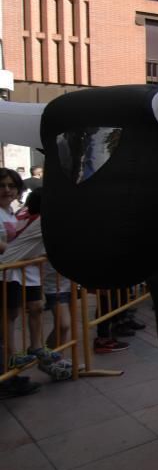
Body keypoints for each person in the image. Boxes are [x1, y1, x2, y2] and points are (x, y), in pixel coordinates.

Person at [1, 189, 73, 381]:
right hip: (11, 270)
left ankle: (37, 350)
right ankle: (14, 357)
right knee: (11, 315)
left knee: (36, 308)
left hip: (26, 270)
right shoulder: (43, 221)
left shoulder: (21, 214)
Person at [0, 167, 41, 399]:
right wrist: (20, 254)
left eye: (11, 186)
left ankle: (9, 372)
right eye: (2, 186)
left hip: (12, 274)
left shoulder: (10, 212)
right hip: (4, 274)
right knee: (5, 324)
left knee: (10, 321)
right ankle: (6, 375)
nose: (7, 190)